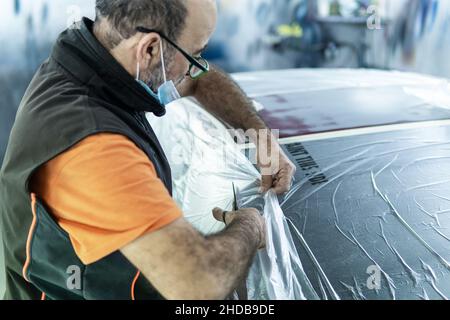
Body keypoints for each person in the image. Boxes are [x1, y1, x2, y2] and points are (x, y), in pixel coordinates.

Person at [0, 0, 295, 300]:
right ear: (150, 49)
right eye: (194, 54)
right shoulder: (91, 147)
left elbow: (198, 79)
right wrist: (249, 227)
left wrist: (260, 136)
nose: (197, 67)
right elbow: (198, 285)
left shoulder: (96, 61)